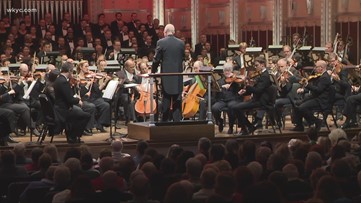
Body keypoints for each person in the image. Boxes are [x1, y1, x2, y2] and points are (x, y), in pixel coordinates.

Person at [152, 24, 185, 122]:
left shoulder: (161, 42)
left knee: (166, 100)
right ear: (174, 32)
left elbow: (156, 60)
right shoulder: (181, 43)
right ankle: (177, 125)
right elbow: (183, 58)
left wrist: (153, 72)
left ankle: (164, 124)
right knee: (177, 102)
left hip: (166, 77)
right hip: (178, 76)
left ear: (165, 32)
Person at [53, 62, 91, 143]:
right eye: (72, 71)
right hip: (63, 110)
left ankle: (71, 135)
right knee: (86, 116)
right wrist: (78, 100)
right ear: (69, 70)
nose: (72, 73)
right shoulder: (63, 82)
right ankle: (74, 136)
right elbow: (70, 100)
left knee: (78, 111)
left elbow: (66, 96)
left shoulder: (59, 79)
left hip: (59, 108)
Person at [291, 60, 331, 132]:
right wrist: (305, 88)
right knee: (297, 104)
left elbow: (318, 90)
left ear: (321, 68)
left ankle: (316, 121)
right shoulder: (320, 76)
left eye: (316, 67)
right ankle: (299, 125)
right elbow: (314, 88)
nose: (315, 68)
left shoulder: (325, 77)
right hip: (315, 97)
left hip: (321, 100)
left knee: (302, 108)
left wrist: (307, 85)